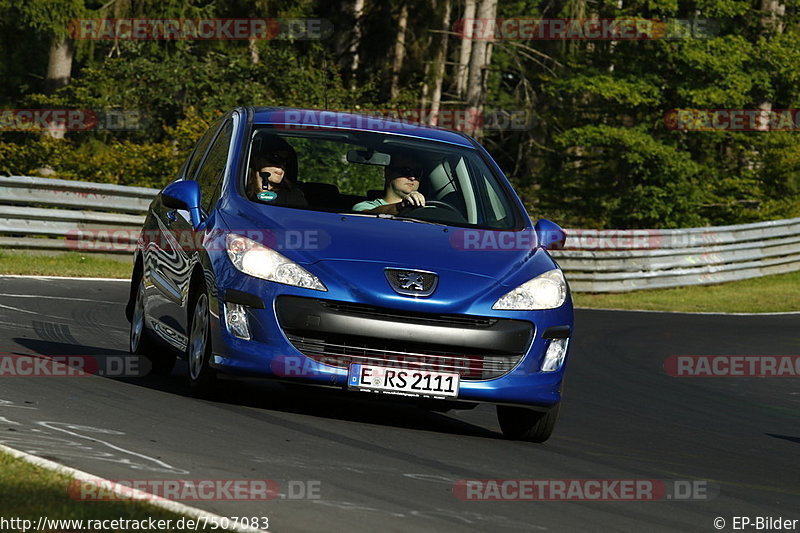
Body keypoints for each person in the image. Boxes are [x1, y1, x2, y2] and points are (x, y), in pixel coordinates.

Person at [352, 152, 425, 214]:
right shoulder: (364, 206)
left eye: (417, 173)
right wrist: (402, 206)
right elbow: (367, 216)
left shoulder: (428, 208)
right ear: (388, 173)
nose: (412, 177)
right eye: (405, 171)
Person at [247, 135, 307, 208]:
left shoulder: (293, 197)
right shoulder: (239, 191)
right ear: (256, 159)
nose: (281, 165)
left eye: (286, 161)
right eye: (275, 158)